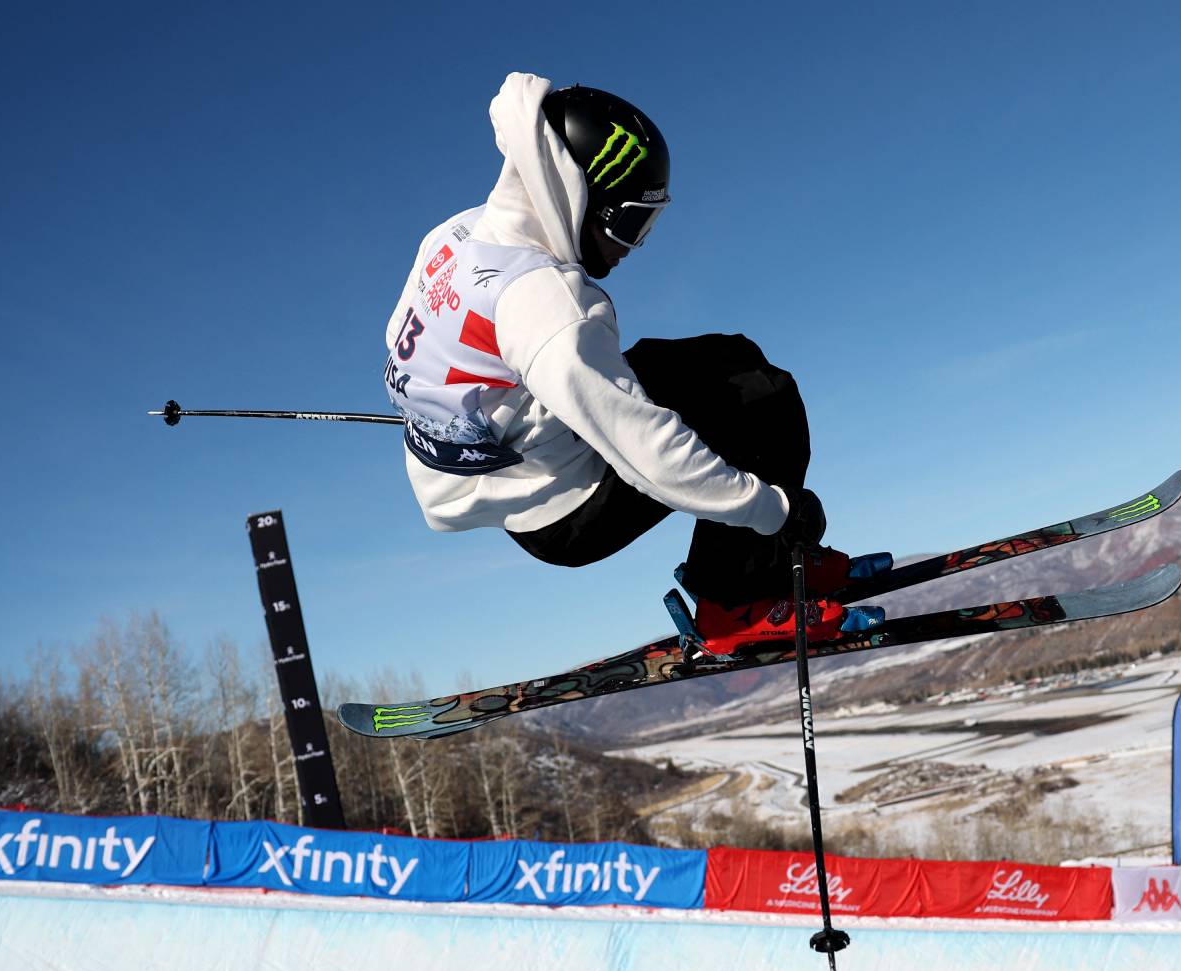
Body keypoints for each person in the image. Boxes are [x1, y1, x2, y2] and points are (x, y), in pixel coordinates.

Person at [379, 73, 884, 656]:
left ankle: (766, 566)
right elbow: (649, 455)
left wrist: (468, 422)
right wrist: (775, 511)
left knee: (731, 357)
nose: (629, 248)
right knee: (759, 399)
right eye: (628, 224)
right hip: (562, 511)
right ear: (576, 193)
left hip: (500, 470)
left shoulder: (455, 236)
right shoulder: (551, 306)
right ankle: (736, 602)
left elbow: (410, 352)